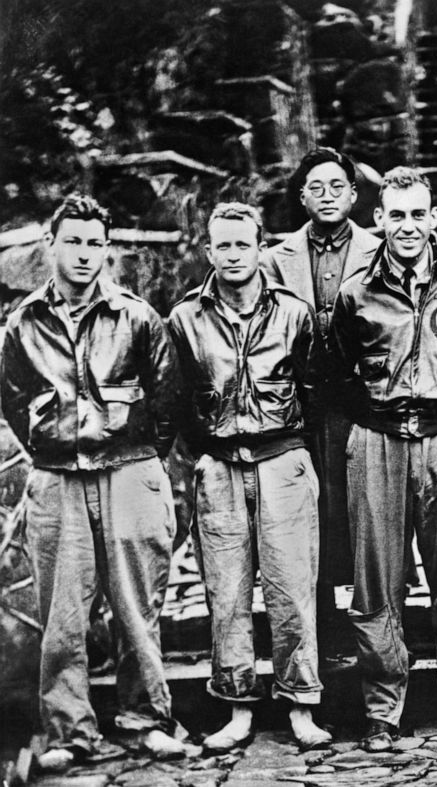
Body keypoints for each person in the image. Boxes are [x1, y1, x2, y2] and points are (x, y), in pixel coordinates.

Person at [0, 194, 185, 770]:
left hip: (130, 472)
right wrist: (55, 451)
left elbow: (167, 400)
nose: (84, 255)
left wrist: (136, 456)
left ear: (108, 251)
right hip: (58, 479)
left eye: (95, 243)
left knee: (137, 605)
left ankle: (146, 719)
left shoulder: (136, 317)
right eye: (73, 241)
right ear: (51, 245)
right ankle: (68, 733)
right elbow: (12, 401)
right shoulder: (23, 323)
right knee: (63, 615)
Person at [326, 167, 437, 751]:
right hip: (378, 439)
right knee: (377, 584)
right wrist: (374, 419)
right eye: (397, 215)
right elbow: (336, 375)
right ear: (379, 221)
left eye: (419, 214)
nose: (408, 226)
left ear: (434, 218)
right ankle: (383, 707)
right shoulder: (354, 294)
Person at [167, 203, 332, 752]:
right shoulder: (185, 318)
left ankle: (301, 703)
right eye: (223, 246)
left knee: (291, 589)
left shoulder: (294, 312)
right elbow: (178, 399)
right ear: (208, 252)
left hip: (283, 459)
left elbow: (316, 389)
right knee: (227, 591)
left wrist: (292, 451)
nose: (234, 256)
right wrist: (207, 453)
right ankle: (237, 706)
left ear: (261, 248)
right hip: (218, 467)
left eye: (244, 244)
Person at [260, 147, 380, 654]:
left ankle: (376, 625)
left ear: (354, 195)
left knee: (362, 509)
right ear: (302, 197)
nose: (328, 196)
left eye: (338, 187)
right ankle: (319, 630)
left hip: (362, 405)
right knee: (308, 512)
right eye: (317, 188)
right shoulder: (274, 259)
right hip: (301, 408)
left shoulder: (380, 250)